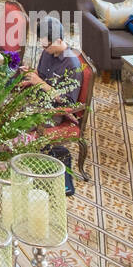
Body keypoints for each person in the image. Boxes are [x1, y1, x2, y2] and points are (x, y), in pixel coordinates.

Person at [26, 16, 83, 196]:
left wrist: (40, 83)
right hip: (37, 100)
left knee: (16, 125)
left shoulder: (72, 64)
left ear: (59, 40)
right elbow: (40, 74)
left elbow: (67, 102)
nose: (44, 50)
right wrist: (28, 77)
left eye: (46, 46)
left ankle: (42, 165)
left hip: (54, 112)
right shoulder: (47, 53)